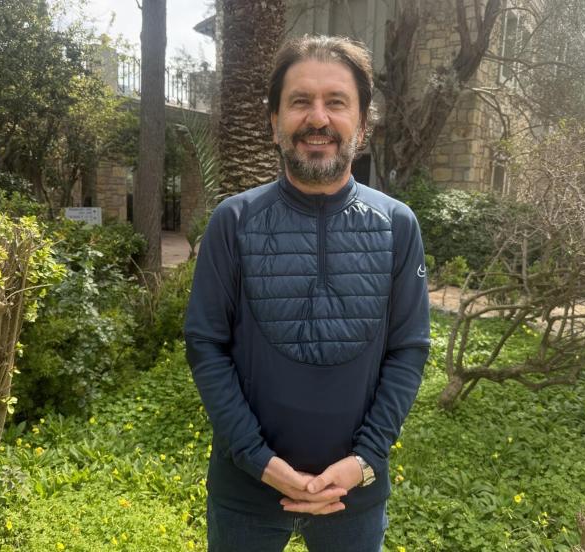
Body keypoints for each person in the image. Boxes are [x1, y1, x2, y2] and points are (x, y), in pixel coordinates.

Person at [184, 35, 430, 552]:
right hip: (246, 494)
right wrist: (258, 460)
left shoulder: (397, 225)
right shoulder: (233, 221)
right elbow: (206, 345)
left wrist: (364, 461)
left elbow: (408, 349)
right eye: (300, 101)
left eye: (336, 102)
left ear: (363, 121)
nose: (318, 118)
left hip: (353, 497)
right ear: (274, 118)